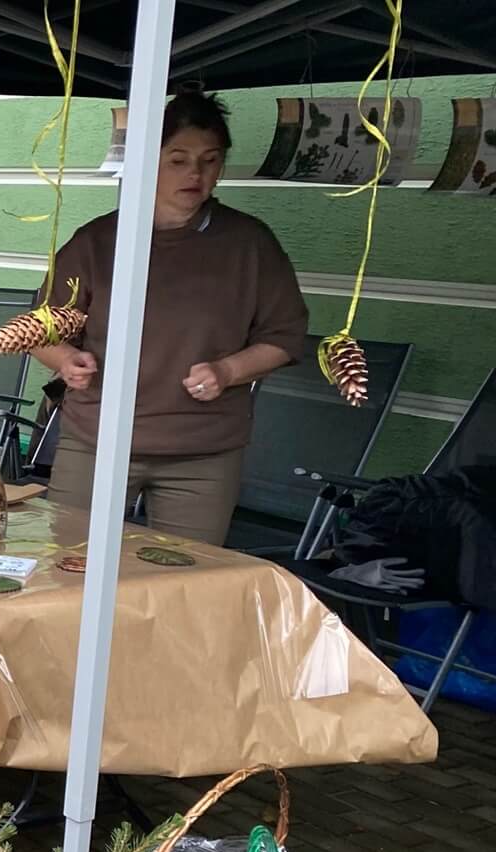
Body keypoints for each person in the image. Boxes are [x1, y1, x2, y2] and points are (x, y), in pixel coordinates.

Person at [32, 92, 308, 546]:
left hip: (203, 454)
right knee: (68, 567)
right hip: (97, 442)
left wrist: (228, 370)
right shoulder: (99, 241)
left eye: (210, 160)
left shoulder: (250, 244)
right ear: (147, 160)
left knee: (185, 582)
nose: (195, 174)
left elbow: (285, 336)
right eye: (178, 160)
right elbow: (39, 329)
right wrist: (64, 360)